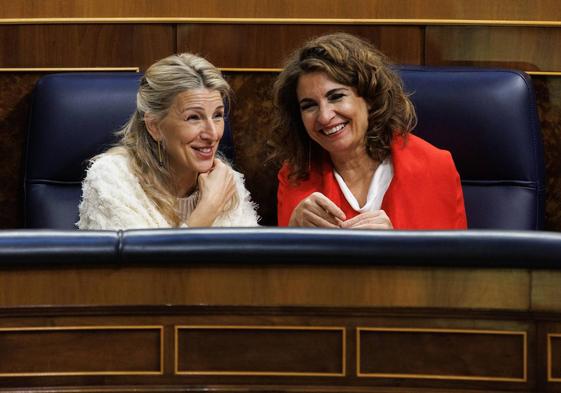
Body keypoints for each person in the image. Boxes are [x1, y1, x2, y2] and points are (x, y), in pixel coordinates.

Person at [270, 33, 467, 229]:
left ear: (370, 98)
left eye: (336, 96)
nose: (324, 116)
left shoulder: (434, 167)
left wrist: (395, 247)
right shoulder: (295, 174)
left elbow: (453, 258)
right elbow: (289, 260)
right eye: (309, 106)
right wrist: (293, 230)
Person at [78, 53, 259, 229]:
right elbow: (143, 260)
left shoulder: (225, 179)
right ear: (154, 127)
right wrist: (208, 208)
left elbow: (250, 257)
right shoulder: (113, 178)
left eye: (218, 115)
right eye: (194, 117)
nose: (212, 134)